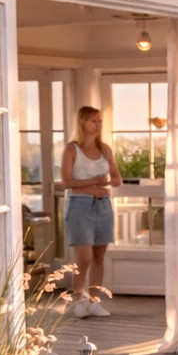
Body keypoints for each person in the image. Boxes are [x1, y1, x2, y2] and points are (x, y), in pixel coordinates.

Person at [60, 106, 122, 317]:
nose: (98, 124)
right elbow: (66, 182)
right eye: (94, 121)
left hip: (103, 207)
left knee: (98, 256)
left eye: (100, 121)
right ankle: (77, 300)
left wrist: (102, 183)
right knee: (84, 257)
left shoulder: (105, 149)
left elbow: (116, 178)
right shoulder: (72, 149)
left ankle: (94, 301)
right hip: (79, 206)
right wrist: (93, 182)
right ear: (83, 123)